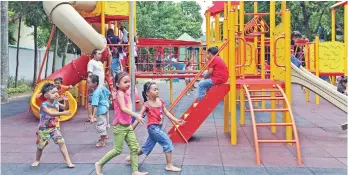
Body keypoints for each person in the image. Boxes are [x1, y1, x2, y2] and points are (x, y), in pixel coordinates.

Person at [95, 71, 148, 175]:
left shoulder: (126, 92)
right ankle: (99, 164)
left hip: (127, 126)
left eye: (129, 81)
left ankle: (135, 171)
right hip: (120, 126)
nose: (128, 84)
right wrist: (136, 115)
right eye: (125, 82)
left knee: (134, 147)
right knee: (117, 150)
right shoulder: (119, 93)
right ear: (118, 84)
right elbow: (123, 108)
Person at [126, 81, 185, 172]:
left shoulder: (160, 101)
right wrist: (131, 128)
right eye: (154, 89)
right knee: (167, 143)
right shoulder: (146, 105)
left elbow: (166, 112)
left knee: (146, 147)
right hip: (153, 128)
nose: (157, 91)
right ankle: (169, 165)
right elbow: (139, 117)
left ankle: (131, 157)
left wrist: (176, 120)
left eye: (157, 89)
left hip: (157, 128)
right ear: (148, 93)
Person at [31, 83, 74, 168]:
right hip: (44, 129)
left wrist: (66, 100)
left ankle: (68, 160)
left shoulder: (56, 103)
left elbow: (66, 108)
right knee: (41, 146)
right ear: (46, 95)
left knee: (61, 142)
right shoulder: (44, 105)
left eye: (57, 92)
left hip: (54, 128)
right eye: (53, 93)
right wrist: (64, 113)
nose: (56, 94)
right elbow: (51, 113)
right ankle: (37, 159)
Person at [88, 74, 111, 147]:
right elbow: (108, 93)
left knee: (100, 125)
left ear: (95, 83)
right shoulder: (101, 87)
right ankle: (105, 136)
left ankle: (102, 141)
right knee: (105, 122)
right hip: (106, 107)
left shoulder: (95, 93)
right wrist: (108, 100)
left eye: (89, 82)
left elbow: (95, 106)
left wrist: (92, 116)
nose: (87, 84)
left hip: (101, 110)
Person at [87, 49, 105, 123]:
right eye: (98, 53)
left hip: (100, 85)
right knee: (91, 100)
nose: (100, 55)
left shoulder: (100, 62)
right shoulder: (91, 62)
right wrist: (90, 84)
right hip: (94, 85)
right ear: (94, 55)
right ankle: (90, 116)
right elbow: (90, 74)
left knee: (97, 100)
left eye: (101, 54)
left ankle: (95, 115)